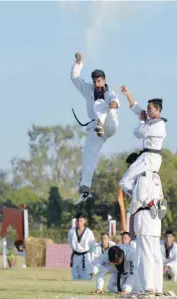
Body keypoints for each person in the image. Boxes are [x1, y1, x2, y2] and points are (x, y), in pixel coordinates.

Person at [70, 52, 120, 205]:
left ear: (104, 80)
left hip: (109, 124)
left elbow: (115, 102)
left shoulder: (110, 92)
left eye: (99, 81)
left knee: (101, 105)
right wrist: (78, 62)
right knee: (88, 155)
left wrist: (112, 105)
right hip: (96, 129)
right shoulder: (89, 89)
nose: (97, 84)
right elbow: (75, 79)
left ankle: (100, 122)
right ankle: (86, 190)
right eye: (95, 82)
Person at [118, 86, 167, 198]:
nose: (148, 111)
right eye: (147, 109)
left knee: (124, 182)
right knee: (139, 182)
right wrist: (128, 94)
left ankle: (144, 201)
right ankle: (154, 200)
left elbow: (138, 133)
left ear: (158, 110)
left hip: (148, 158)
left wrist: (141, 120)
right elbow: (136, 109)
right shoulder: (151, 121)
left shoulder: (158, 124)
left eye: (150, 109)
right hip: (150, 158)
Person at [130, 167, 165, 295]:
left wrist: (132, 210)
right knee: (155, 253)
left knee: (145, 253)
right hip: (156, 219)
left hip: (145, 218)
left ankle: (147, 286)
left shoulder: (143, 176)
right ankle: (158, 287)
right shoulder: (156, 176)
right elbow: (162, 198)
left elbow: (139, 198)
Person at [68, 212, 96, 280]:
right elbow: (70, 243)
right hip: (75, 255)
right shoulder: (71, 231)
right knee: (75, 275)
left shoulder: (89, 232)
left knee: (86, 276)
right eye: (78, 221)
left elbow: (92, 247)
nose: (79, 222)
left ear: (84, 221)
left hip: (86, 256)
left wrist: (93, 260)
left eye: (81, 221)